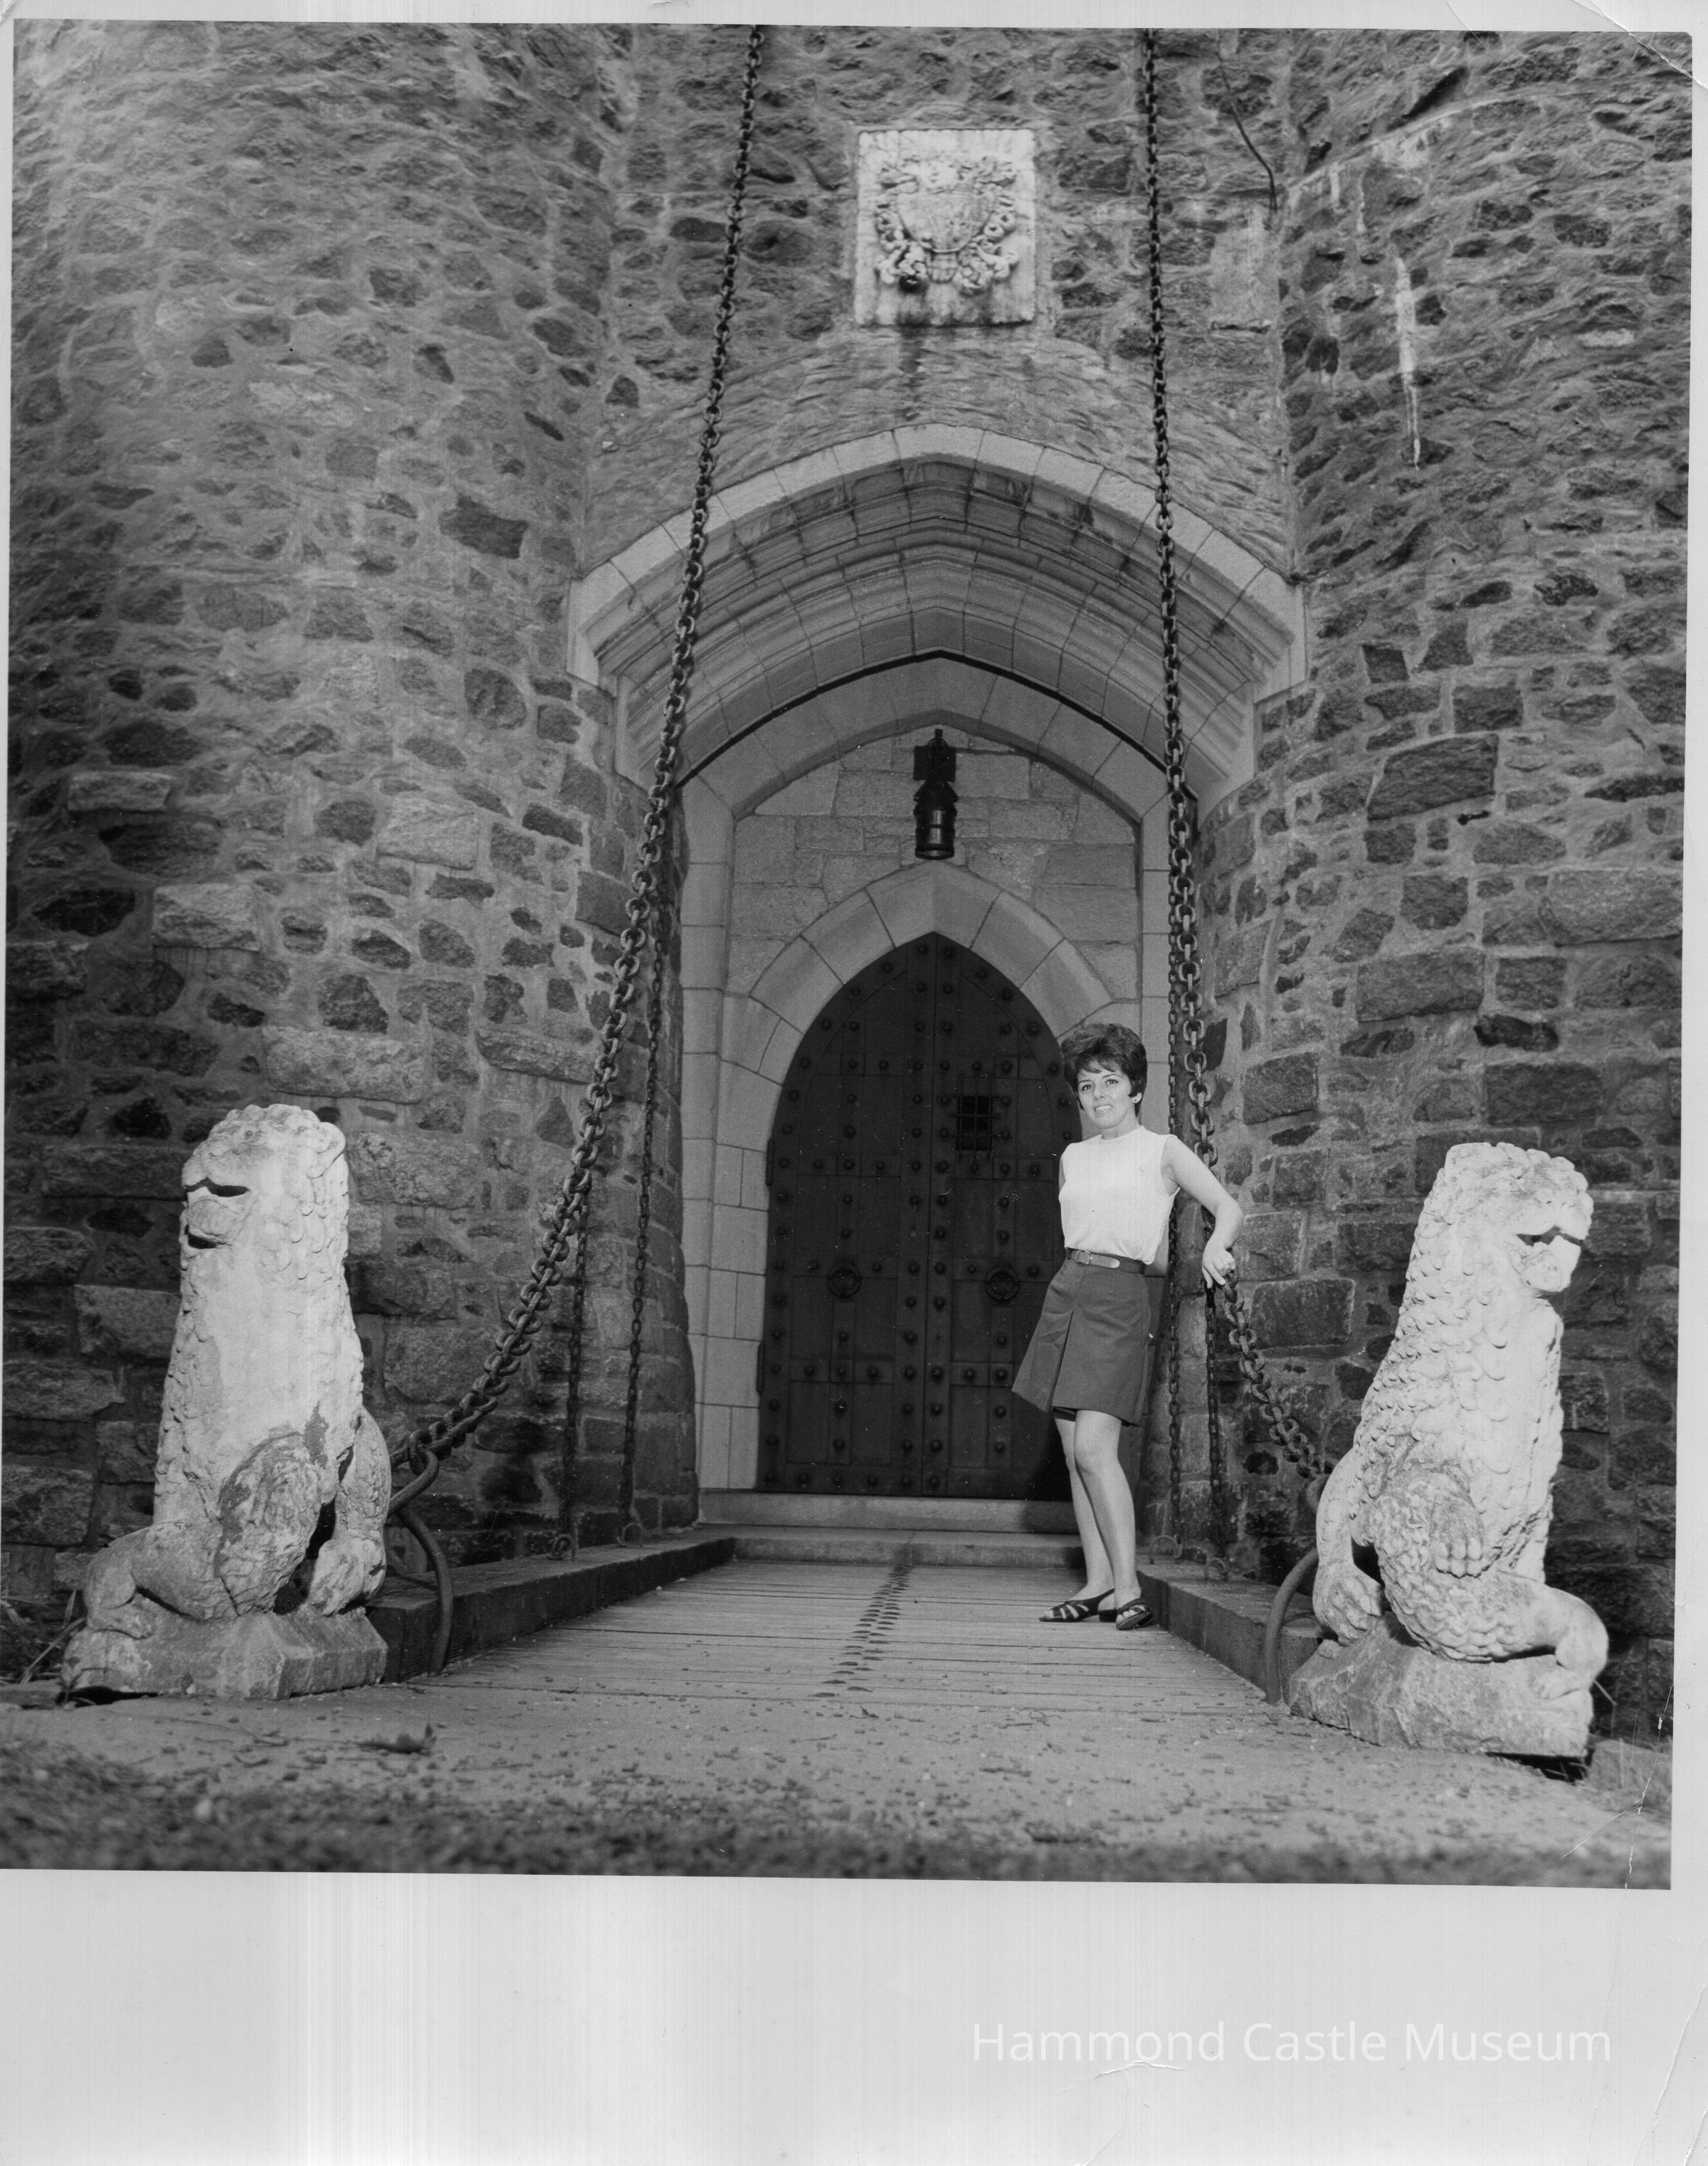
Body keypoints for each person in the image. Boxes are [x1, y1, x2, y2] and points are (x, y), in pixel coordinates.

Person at [1013, 1022, 1243, 1630]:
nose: (1099, 1096)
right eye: (1087, 1086)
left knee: (1095, 1448)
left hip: (1118, 1299)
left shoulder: (1162, 1150)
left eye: (1110, 1082)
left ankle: (1128, 1587)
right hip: (1068, 1291)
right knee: (1074, 1454)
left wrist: (1216, 1247)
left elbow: (1227, 1207)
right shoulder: (1073, 1158)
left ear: (1136, 1088)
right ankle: (1097, 1585)